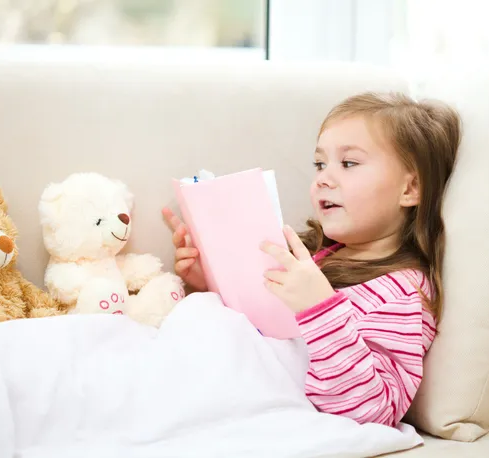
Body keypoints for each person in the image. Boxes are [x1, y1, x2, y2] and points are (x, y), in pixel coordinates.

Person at [162, 91, 461, 427]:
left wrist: (322, 309)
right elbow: (264, 331)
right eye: (320, 164)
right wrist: (212, 279)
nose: (322, 178)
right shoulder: (316, 254)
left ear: (410, 189)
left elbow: (374, 410)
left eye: (348, 164)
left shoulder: (401, 296)